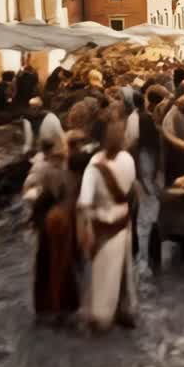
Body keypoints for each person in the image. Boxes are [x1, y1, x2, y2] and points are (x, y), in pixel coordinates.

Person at [79, 120, 138, 331]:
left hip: (103, 224)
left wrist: (85, 230)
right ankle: (124, 309)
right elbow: (130, 187)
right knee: (123, 269)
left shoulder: (94, 165)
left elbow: (85, 202)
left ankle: (103, 316)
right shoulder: (128, 159)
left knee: (104, 273)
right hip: (124, 220)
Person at [22, 135, 80, 323]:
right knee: (58, 264)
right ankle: (59, 305)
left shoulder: (53, 171)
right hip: (55, 224)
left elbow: (36, 197)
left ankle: (51, 305)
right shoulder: (54, 172)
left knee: (51, 264)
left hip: (51, 224)